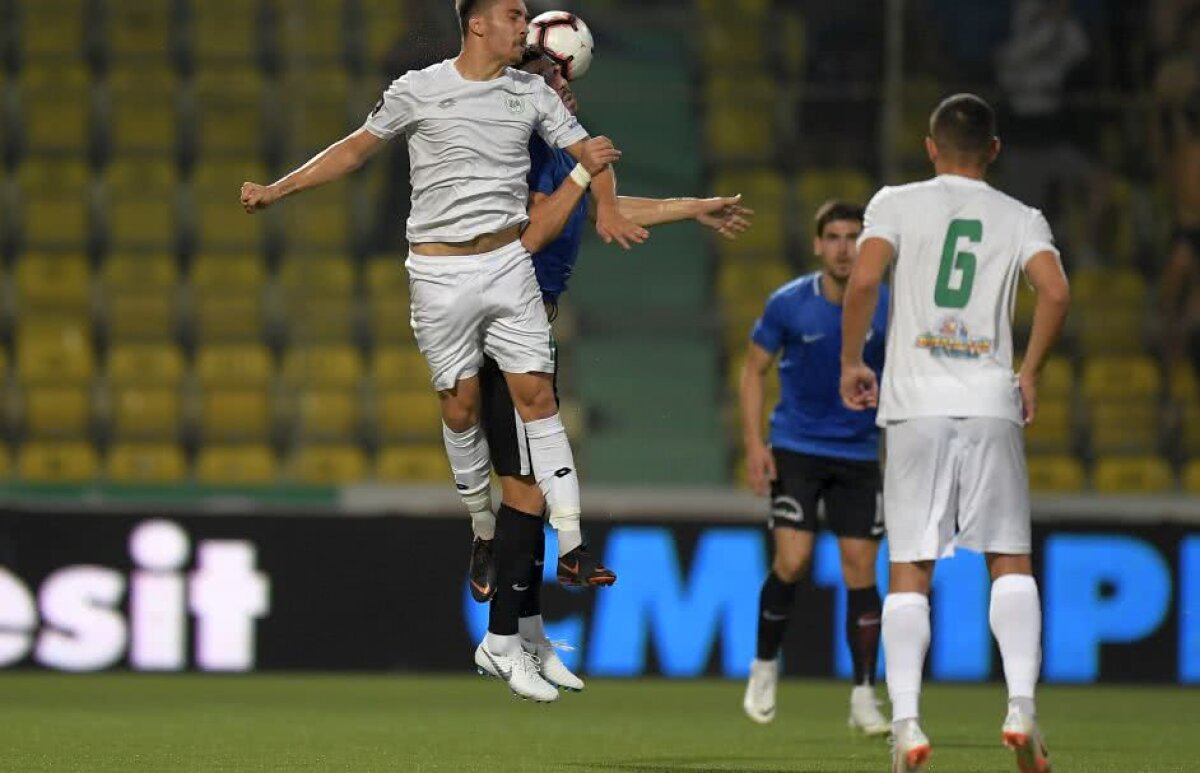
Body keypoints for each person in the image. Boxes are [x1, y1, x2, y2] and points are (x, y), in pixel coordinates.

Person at [239, 0, 648, 704]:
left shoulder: (530, 93)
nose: (524, 24)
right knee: (460, 411)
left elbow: (587, 149)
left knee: (536, 418)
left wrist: (603, 190)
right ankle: (491, 551)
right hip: (438, 273)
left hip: (508, 269)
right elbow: (355, 148)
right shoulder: (419, 89)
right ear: (478, 23)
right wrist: (281, 188)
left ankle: (550, 579)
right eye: (514, 14)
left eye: (528, 16)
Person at [470, 49, 754, 695]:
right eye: (549, 79)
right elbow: (534, 235)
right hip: (504, 324)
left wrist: (690, 207)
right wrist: (581, 169)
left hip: (531, 326)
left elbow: (612, 210)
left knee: (534, 489)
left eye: (565, 77)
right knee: (523, 491)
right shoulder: (515, 153)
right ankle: (500, 637)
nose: (563, 87)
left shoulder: (549, 154)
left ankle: (530, 634)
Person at [840, 93, 1069, 772]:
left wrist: (855, 358)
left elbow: (865, 278)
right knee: (1009, 559)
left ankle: (907, 722)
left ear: (931, 146)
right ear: (993, 150)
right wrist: (1029, 371)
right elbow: (1054, 292)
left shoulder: (895, 203)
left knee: (911, 564)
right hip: (991, 400)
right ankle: (1021, 705)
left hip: (916, 404)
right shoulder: (1020, 216)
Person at [739, 201, 889, 736]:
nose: (845, 247)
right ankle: (763, 666)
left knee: (860, 570)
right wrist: (756, 444)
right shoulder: (789, 304)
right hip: (797, 447)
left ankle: (865, 696)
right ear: (818, 244)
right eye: (835, 236)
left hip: (858, 452)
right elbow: (753, 370)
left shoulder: (887, 306)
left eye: (854, 237)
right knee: (794, 559)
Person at [1154, 8, 1200, 374]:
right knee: (1171, 307)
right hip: (1186, 227)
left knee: (1191, 310)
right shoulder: (1183, 145)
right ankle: (1171, 378)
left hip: (1192, 228)